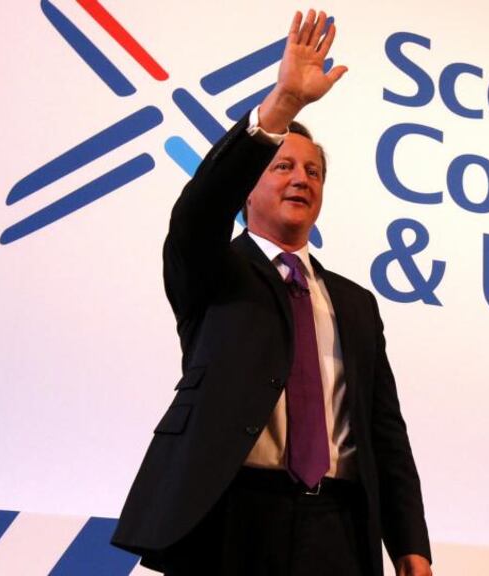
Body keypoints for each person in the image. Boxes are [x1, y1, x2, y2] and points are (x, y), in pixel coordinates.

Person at [111, 10, 432, 576]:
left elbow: (384, 429)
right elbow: (199, 210)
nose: (300, 179)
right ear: (248, 188)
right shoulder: (211, 267)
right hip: (231, 518)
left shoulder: (356, 305)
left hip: (339, 527)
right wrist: (282, 106)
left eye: (313, 172)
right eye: (282, 165)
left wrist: (410, 546)